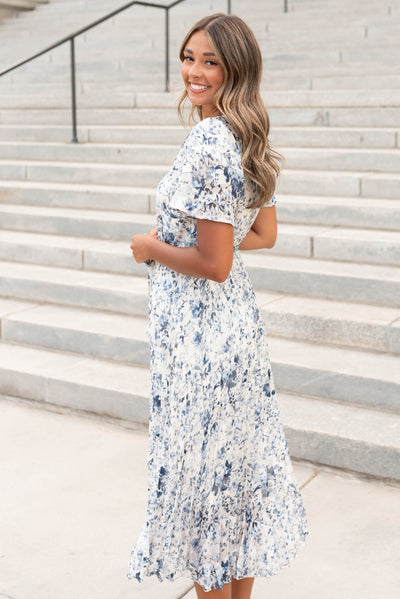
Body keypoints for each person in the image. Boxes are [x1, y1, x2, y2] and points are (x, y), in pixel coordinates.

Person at [127, 13, 309, 598]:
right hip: (235, 330)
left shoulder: (209, 139)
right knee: (236, 483)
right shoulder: (244, 133)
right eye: (188, 57)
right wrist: (208, 243)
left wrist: (151, 247)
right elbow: (261, 234)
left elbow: (216, 262)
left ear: (235, 68)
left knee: (208, 489)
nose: (194, 72)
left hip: (202, 337)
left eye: (209, 60)